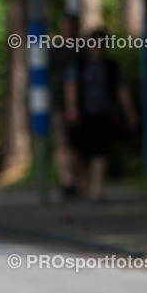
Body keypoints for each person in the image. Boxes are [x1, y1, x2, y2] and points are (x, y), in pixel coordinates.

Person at [65, 29, 138, 202]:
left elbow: (121, 89)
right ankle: (81, 183)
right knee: (82, 152)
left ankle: (96, 189)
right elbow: (71, 86)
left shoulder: (110, 65)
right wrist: (72, 108)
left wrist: (129, 111)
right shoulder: (80, 64)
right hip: (83, 114)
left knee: (100, 152)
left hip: (103, 113)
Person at [50, 13, 83, 199]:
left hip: (81, 106)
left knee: (77, 146)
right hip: (59, 103)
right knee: (62, 143)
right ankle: (67, 181)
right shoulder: (55, 50)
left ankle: (77, 181)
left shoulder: (82, 49)